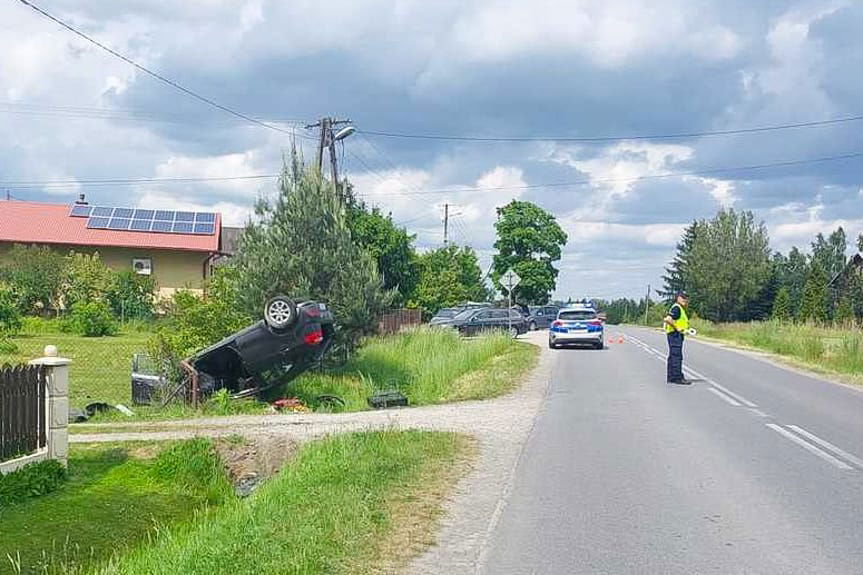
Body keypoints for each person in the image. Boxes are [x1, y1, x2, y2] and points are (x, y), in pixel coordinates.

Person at [664, 291, 691, 385]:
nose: (685, 300)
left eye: (686, 298)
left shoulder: (678, 308)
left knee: (672, 356)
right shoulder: (677, 308)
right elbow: (668, 319)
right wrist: (677, 328)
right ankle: (677, 378)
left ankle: (671, 377)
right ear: (678, 298)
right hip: (675, 335)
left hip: (674, 334)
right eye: (683, 297)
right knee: (677, 356)